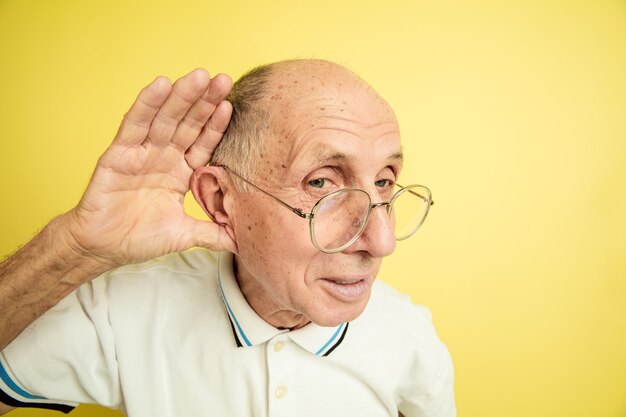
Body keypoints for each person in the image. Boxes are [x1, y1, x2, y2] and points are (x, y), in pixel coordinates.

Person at [0, 59, 456, 416]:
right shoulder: (123, 308)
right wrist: (75, 247)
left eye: (384, 182)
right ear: (221, 200)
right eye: (321, 183)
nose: (381, 242)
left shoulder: (410, 336)